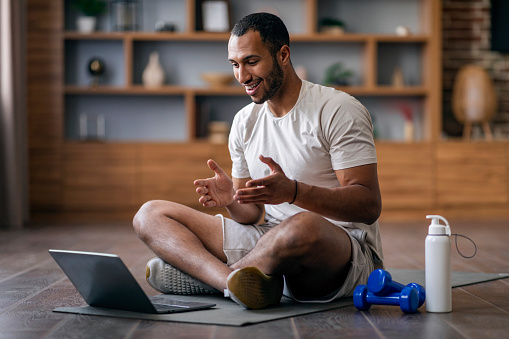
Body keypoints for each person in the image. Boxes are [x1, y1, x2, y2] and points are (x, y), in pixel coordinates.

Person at [133, 12, 383, 310]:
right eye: (235, 65)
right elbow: (250, 215)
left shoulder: (337, 109)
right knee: (149, 214)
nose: (242, 76)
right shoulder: (244, 122)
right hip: (270, 240)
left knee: (302, 226)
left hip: (342, 250)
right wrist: (231, 199)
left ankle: (212, 278)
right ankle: (234, 283)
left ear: (283, 55)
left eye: (251, 62)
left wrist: (293, 192)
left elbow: (367, 206)